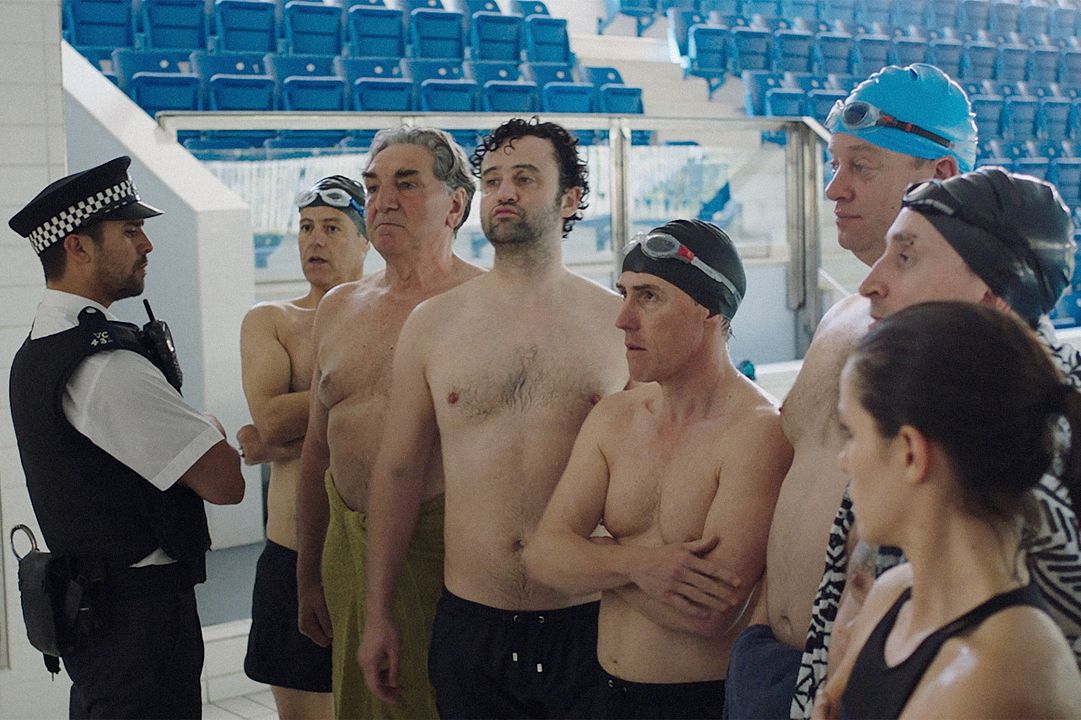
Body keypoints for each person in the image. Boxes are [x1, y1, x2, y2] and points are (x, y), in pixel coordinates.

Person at [723, 62, 981, 720]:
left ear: (938, 177)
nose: (833, 189)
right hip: (762, 656)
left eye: (860, 166)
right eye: (833, 163)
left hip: (854, 676)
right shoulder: (845, 313)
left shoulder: (968, 337)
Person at [358, 118, 629, 719]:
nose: (504, 192)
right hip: (471, 621)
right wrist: (378, 613)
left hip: (589, 618)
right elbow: (398, 473)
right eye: (493, 179)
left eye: (525, 179)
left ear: (570, 200)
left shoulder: (618, 325)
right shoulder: (432, 325)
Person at [7, 156, 245, 718]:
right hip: (138, 621)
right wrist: (206, 424)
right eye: (130, 230)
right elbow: (225, 480)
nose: (147, 245)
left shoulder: (43, 346)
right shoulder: (104, 365)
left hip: (101, 617)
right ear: (78, 247)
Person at [524, 219, 792, 718]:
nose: (623, 319)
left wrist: (592, 555)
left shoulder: (758, 432)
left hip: (695, 702)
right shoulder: (615, 417)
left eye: (648, 297)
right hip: (598, 690)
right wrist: (640, 564)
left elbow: (709, 611)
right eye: (624, 294)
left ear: (709, 310)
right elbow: (541, 558)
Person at [811, 302, 1081, 719]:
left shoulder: (994, 680)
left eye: (852, 434)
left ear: (910, 453)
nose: (845, 460)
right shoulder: (892, 595)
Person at [293, 128, 483, 720]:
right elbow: (316, 453)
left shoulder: (487, 306)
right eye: (374, 187)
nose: (383, 201)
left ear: (455, 204)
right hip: (346, 553)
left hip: (450, 556)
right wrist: (306, 578)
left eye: (407, 184)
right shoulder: (340, 306)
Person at [238, 175, 369, 719]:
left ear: (367, 241)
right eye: (306, 228)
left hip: (374, 554)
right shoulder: (271, 320)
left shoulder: (399, 314)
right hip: (292, 555)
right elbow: (267, 422)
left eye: (333, 228)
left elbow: (275, 435)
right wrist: (364, 385)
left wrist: (284, 438)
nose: (314, 240)